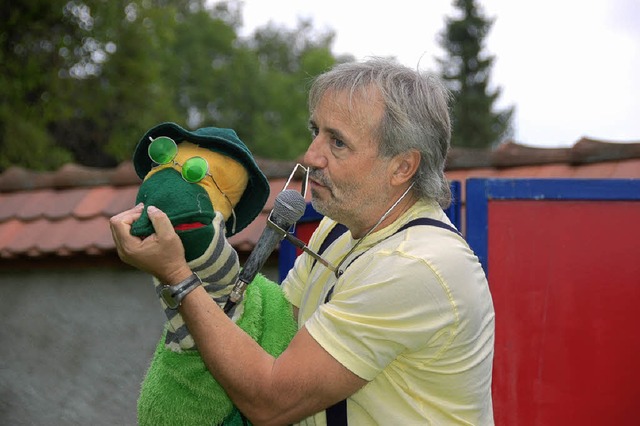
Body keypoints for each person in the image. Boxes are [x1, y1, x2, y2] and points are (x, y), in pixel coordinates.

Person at [110, 57, 495, 425]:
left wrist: (178, 275)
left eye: (337, 143)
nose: (310, 156)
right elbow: (279, 327)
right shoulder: (340, 228)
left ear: (402, 167)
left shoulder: (414, 266)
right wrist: (205, 256)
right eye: (316, 132)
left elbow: (270, 401)